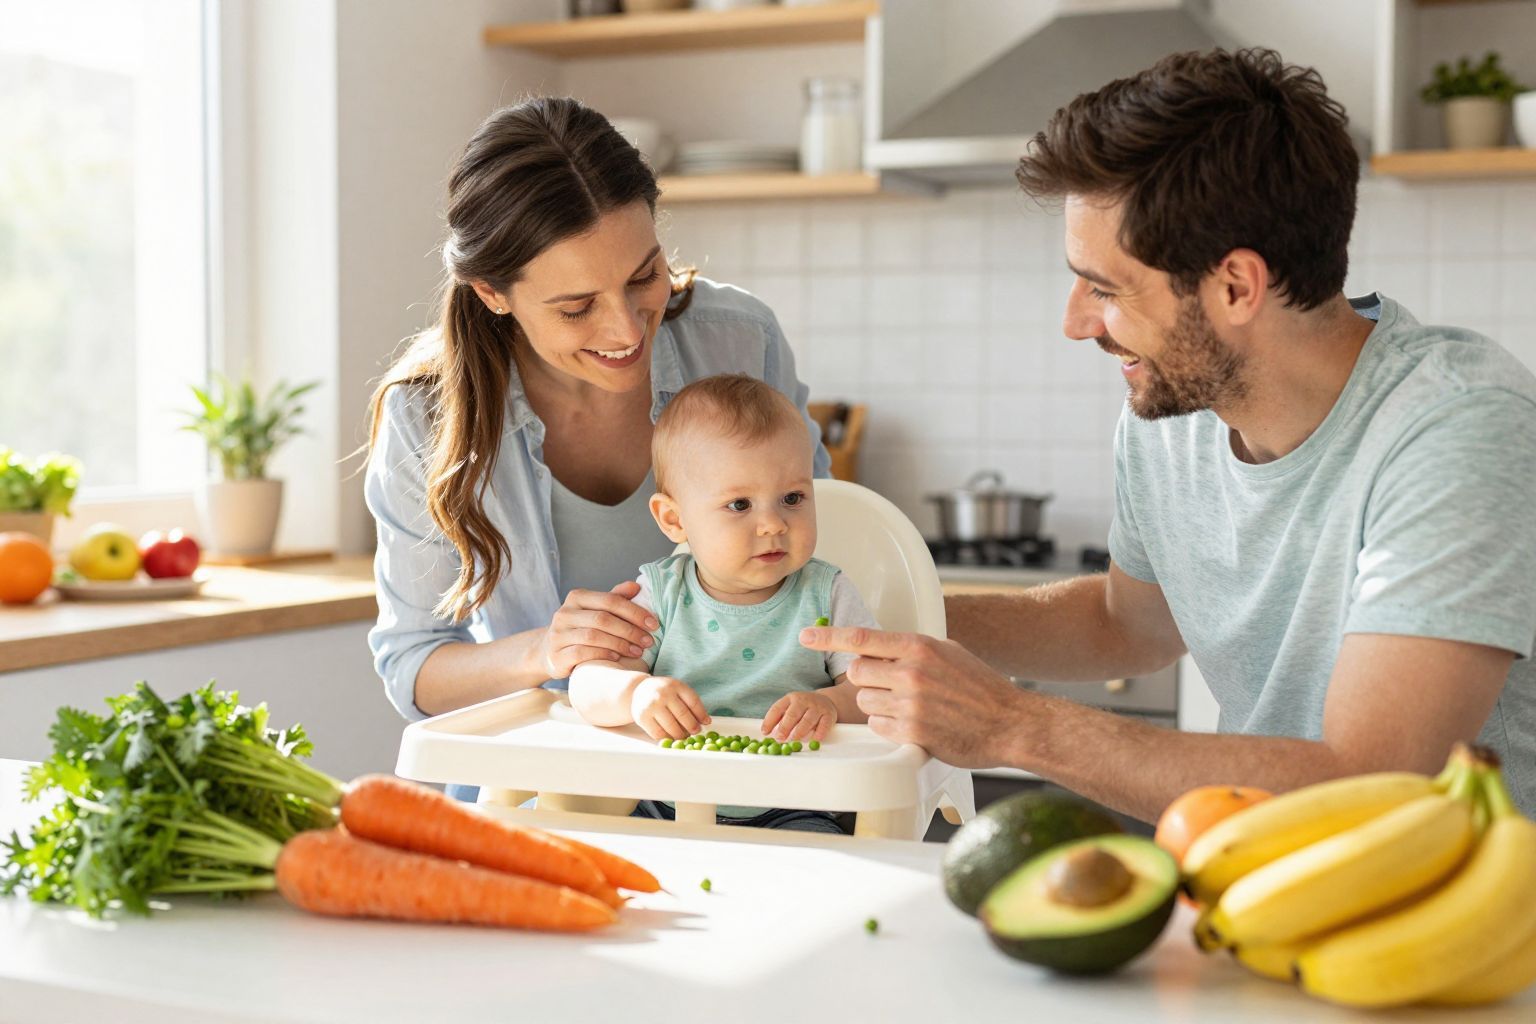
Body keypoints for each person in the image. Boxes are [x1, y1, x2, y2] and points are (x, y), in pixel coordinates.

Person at [801, 47, 1536, 821]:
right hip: (1253, 891)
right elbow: (1126, 625)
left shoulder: (1457, 430)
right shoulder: (1174, 415)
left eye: (1105, 288)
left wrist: (1010, 724)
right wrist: (884, 617)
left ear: (1235, 286)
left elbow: (1370, 778)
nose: (1075, 322)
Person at [363, 99, 830, 797]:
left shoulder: (738, 341)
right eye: (576, 307)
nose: (627, 329)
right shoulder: (428, 415)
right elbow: (414, 670)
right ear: (493, 292)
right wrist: (543, 650)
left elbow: (833, 550)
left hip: (744, 786)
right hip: (544, 795)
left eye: (645, 275)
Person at [567, 376, 877, 838]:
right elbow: (587, 683)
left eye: (793, 498)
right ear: (674, 520)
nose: (773, 524)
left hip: (792, 806)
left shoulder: (827, 594)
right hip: (663, 802)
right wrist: (635, 694)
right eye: (739, 504)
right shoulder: (660, 594)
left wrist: (830, 704)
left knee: (820, 872)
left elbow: (876, 694)